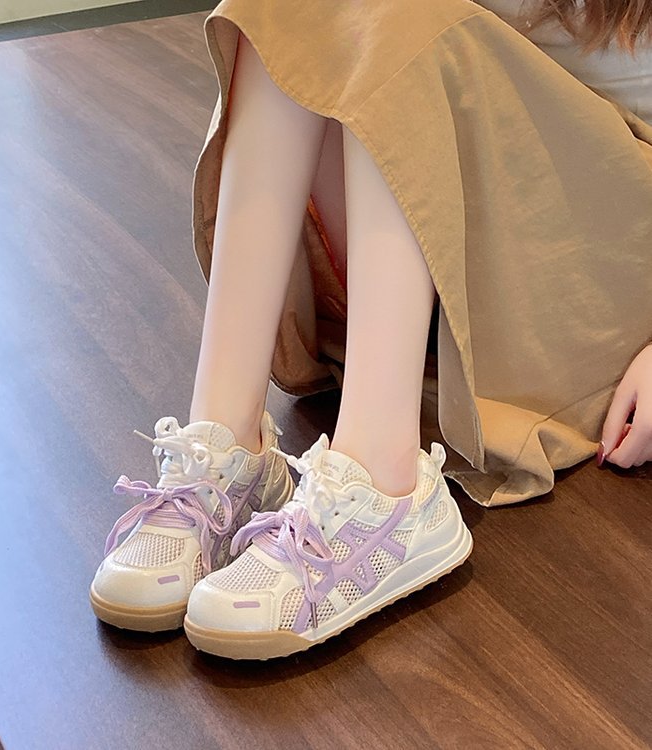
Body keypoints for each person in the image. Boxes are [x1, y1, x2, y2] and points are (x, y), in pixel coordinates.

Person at [90, 0, 652, 659]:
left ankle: (387, 487)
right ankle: (227, 445)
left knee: (403, 17)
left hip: (604, 261)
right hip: (478, 232)